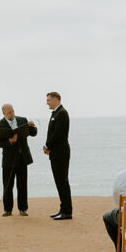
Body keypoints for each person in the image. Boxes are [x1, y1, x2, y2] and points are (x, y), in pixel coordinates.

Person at [0, 103, 37, 216]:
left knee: (22, 184)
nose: (12, 113)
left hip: (22, 157)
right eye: (9, 112)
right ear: (3, 113)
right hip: (9, 159)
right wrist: (10, 141)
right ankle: (7, 209)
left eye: (13, 111)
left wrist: (32, 126)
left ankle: (23, 208)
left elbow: (33, 133)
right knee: (8, 186)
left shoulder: (22, 120)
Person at [44, 91, 72, 220]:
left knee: (62, 181)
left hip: (60, 152)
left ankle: (67, 211)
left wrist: (48, 146)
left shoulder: (62, 113)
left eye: (49, 100)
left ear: (56, 99)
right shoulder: (56, 113)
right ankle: (63, 209)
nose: (47, 103)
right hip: (56, 152)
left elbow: (58, 134)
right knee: (59, 182)